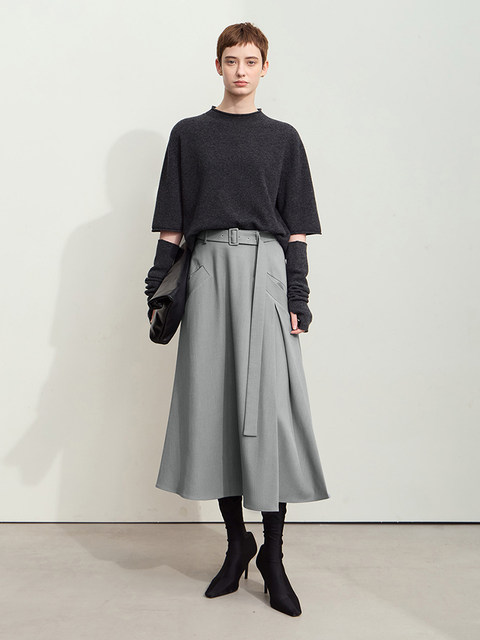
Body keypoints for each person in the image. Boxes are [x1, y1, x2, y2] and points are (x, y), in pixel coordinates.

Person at [144, 22, 330, 617]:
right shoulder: (189, 134)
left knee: (268, 413)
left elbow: (296, 230)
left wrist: (298, 297)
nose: (241, 70)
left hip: (266, 272)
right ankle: (236, 545)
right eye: (231, 60)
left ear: (265, 67)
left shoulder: (283, 139)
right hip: (206, 272)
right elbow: (172, 225)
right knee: (215, 409)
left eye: (251, 60)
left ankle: (273, 556)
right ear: (218, 65)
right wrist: (156, 288)